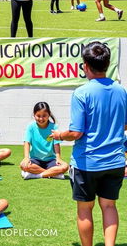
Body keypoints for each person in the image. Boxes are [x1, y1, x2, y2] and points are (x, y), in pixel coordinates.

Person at [51, 41, 127, 246]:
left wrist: (59, 135)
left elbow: (76, 132)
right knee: (109, 207)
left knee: (85, 209)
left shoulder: (81, 93)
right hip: (115, 162)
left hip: (87, 163)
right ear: (107, 63)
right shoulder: (121, 91)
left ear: (85, 65)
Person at [20, 102, 68, 180]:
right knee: (23, 165)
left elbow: (56, 144)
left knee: (65, 167)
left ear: (49, 115)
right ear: (34, 115)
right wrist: (26, 157)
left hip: (51, 160)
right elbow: (27, 143)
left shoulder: (54, 127)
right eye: (38, 116)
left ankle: (36, 175)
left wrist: (58, 158)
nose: (41, 119)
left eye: (44, 116)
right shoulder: (31, 127)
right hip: (35, 159)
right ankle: (52, 174)